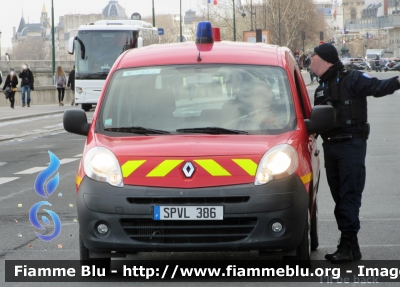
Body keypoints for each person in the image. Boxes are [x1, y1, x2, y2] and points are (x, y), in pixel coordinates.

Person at [310, 43, 400, 263]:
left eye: (313, 57)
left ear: (325, 59)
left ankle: (348, 244)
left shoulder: (352, 78)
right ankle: (350, 245)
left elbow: (378, 87)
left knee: (349, 194)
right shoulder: (321, 86)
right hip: (331, 147)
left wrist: (397, 81)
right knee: (339, 197)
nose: (310, 60)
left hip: (351, 145)